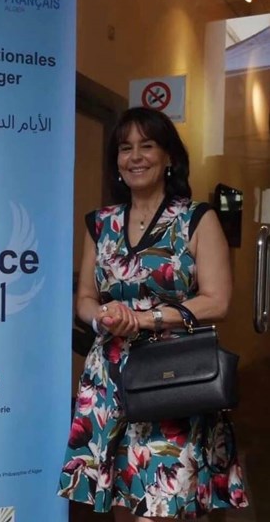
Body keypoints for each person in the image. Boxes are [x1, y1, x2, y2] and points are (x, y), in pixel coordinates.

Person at [58, 107, 248, 520]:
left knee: (163, 506)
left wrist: (147, 319)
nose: (135, 157)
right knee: (122, 500)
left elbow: (218, 300)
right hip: (110, 377)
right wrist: (102, 317)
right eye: (125, 148)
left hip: (173, 376)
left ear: (169, 158)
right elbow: (86, 297)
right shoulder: (100, 223)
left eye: (147, 146)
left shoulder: (197, 218)